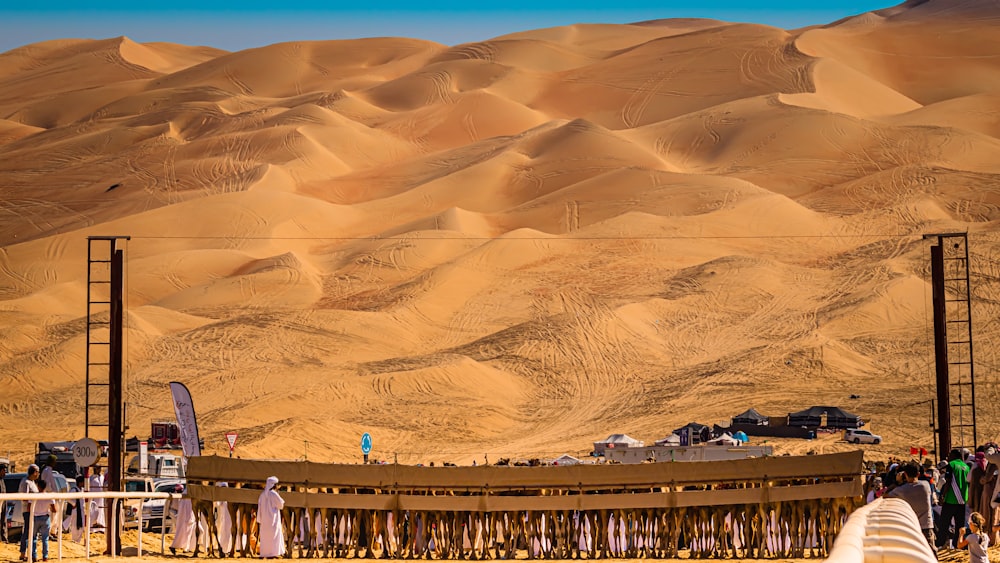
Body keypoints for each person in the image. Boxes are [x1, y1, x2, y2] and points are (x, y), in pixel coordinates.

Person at [886, 463, 936, 553]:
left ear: (905, 474)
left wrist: (897, 482)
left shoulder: (901, 490)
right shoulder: (925, 485)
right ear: (918, 474)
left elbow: (884, 495)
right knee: (931, 554)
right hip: (926, 526)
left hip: (910, 528)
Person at [939, 448, 971, 549]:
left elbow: (948, 481)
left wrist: (943, 495)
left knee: (944, 522)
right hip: (962, 500)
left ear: (954, 456)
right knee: (959, 524)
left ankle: (941, 543)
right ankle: (958, 545)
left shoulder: (951, 465)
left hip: (951, 499)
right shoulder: (966, 466)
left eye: (949, 455)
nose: (948, 457)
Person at [257, 476, 285, 558]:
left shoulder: (262, 495)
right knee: (274, 536)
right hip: (273, 520)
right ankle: (274, 554)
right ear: (273, 485)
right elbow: (281, 505)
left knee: (265, 538)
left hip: (264, 521)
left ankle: (265, 553)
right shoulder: (273, 494)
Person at [30, 480, 57, 562]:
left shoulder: (34, 496)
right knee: (45, 539)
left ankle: (34, 556)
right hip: (45, 517)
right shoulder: (49, 497)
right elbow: (54, 509)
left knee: (33, 537)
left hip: (35, 518)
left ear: (38, 486)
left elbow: (29, 507)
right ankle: (45, 556)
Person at [19, 464, 40, 561]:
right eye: (38, 472)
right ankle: (23, 553)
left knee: (32, 532)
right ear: (34, 472)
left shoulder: (32, 482)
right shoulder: (26, 482)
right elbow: (24, 497)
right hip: (28, 511)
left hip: (34, 511)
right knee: (27, 531)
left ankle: (30, 553)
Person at [63, 476, 86, 543]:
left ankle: (78, 540)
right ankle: (74, 540)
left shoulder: (82, 490)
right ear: (80, 482)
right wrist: (74, 504)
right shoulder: (74, 490)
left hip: (81, 511)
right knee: (75, 526)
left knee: (81, 527)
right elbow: (67, 498)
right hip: (75, 511)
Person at [0, 463, 8, 543]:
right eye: (3, 471)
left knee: (3, 521)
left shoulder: (2, 480)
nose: (5, 473)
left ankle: (4, 538)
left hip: (4, 503)